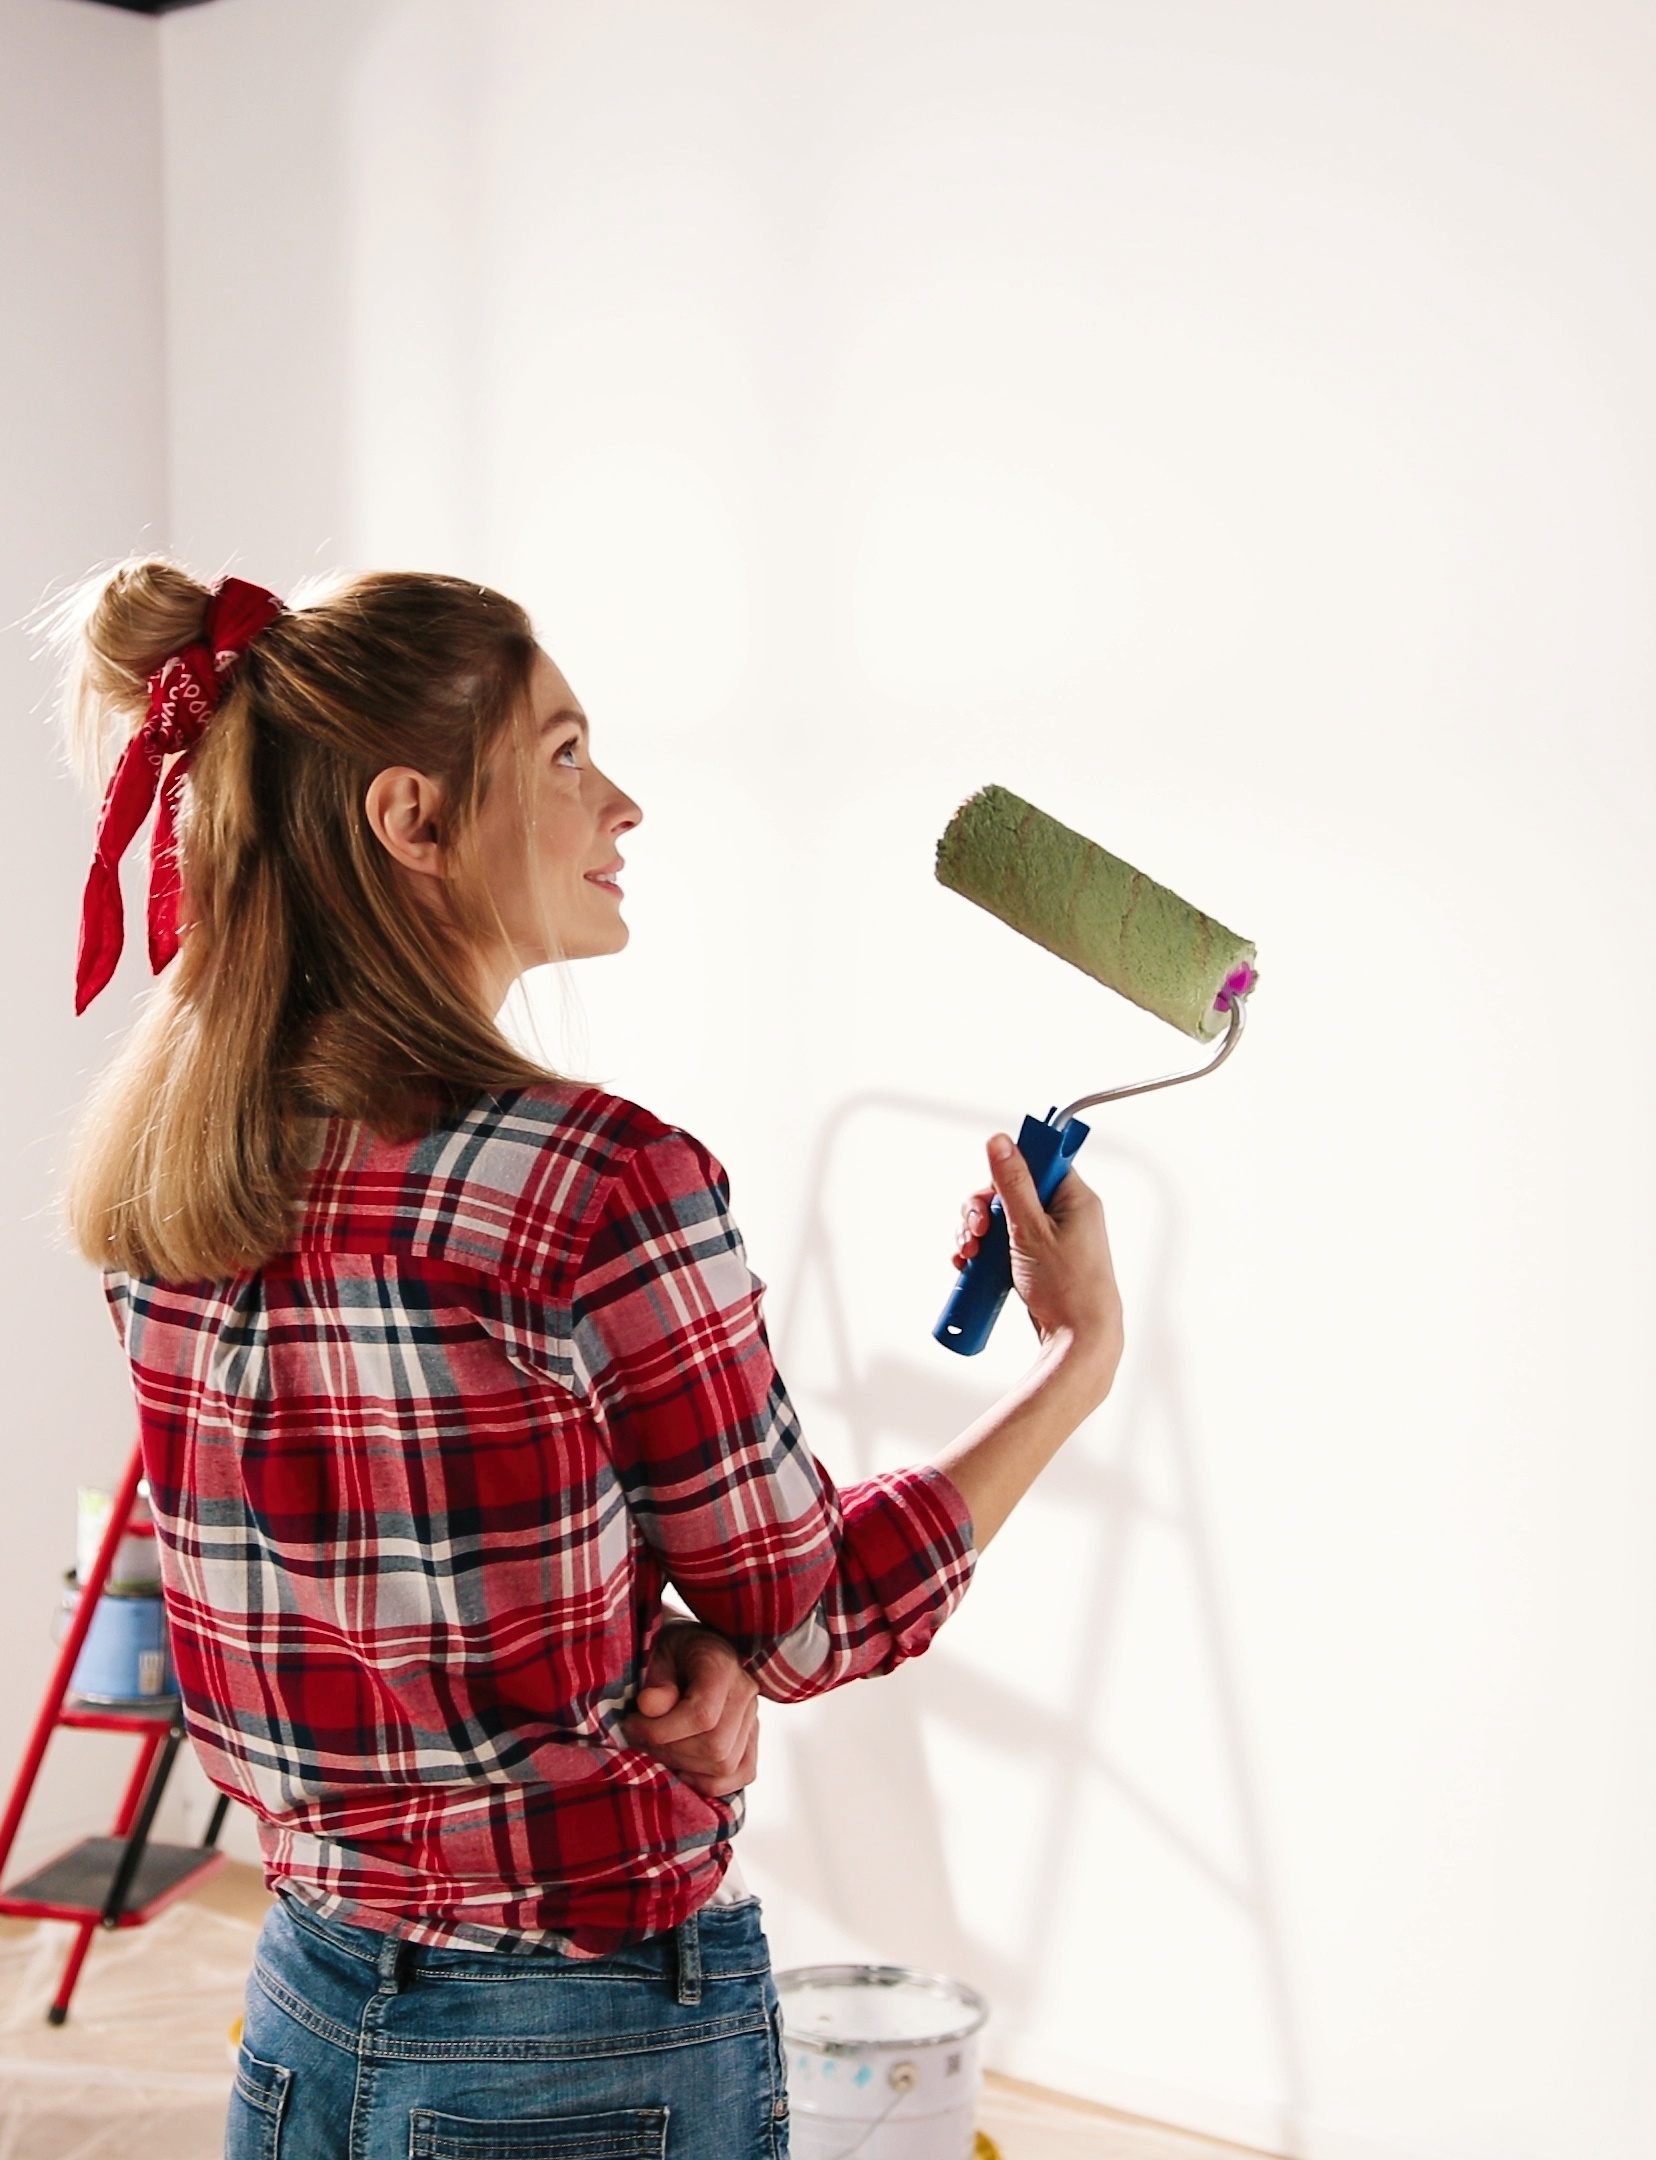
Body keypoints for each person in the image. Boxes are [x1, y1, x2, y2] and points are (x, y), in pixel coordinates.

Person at [54, 561, 1121, 2159]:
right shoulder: (597, 1185)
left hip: (303, 2014)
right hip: (578, 2050)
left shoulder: (169, 1179)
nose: (619, 806)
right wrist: (1077, 1361)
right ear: (412, 821)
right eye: (562, 756)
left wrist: (677, 1645)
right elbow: (817, 1612)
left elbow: (395, 1602)